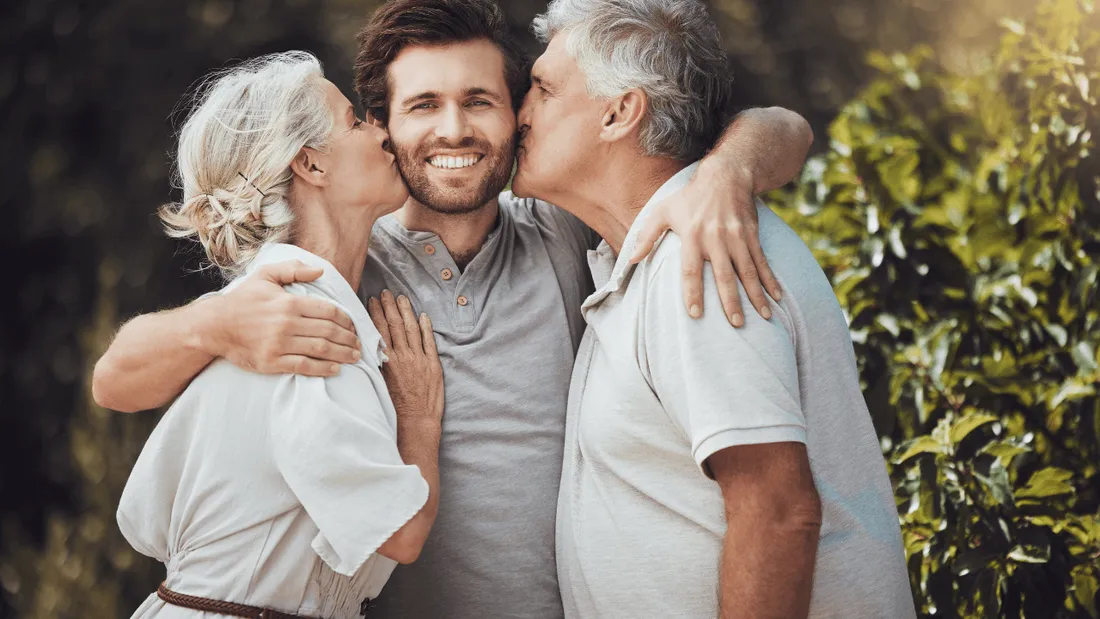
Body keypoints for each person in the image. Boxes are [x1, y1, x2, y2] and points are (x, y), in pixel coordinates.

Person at [92, 1, 814, 616]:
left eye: (478, 101)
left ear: (518, 115)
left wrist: (727, 170)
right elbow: (116, 378)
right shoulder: (333, 270)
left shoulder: (560, 230)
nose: (454, 130)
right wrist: (214, 323)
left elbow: (786, 127)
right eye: (422, 106)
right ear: (382, 126)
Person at [511, 0, 917, 617]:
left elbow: (779, 513)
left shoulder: (697, 261)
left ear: (619, 112)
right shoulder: (652, 250)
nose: (522, 111)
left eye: (543, 89)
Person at [117, 52, 445, 618]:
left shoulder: (268, 304)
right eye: (354, 120)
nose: (380, 130)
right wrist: (418, 419)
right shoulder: (305, 324)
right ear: (310, 166)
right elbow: (401, 534)